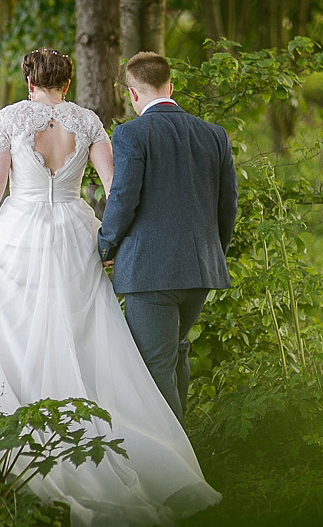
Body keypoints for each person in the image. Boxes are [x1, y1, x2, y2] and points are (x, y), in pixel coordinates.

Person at [0, 48, 221, 527]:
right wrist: (114, 237)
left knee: (16, 329)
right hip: (76, 230)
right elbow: (115, 184)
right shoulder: (87, 119)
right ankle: (128, 444)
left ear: (29, 81)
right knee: (86, 337)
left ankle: (26, 435)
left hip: (21, 231)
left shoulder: (10, 118)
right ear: (67, 83)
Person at [98, 51, 238, 425]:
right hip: (201, 270)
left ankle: (178, 470)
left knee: (154, 368)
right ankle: (184, 452)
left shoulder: (131, 133)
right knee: (176, 352)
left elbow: (124, 197)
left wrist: (105, 246)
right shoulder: (214, 135)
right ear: (170, 86)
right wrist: (212, 255)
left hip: (150, 273)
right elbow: (228, 207)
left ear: (133, 94)